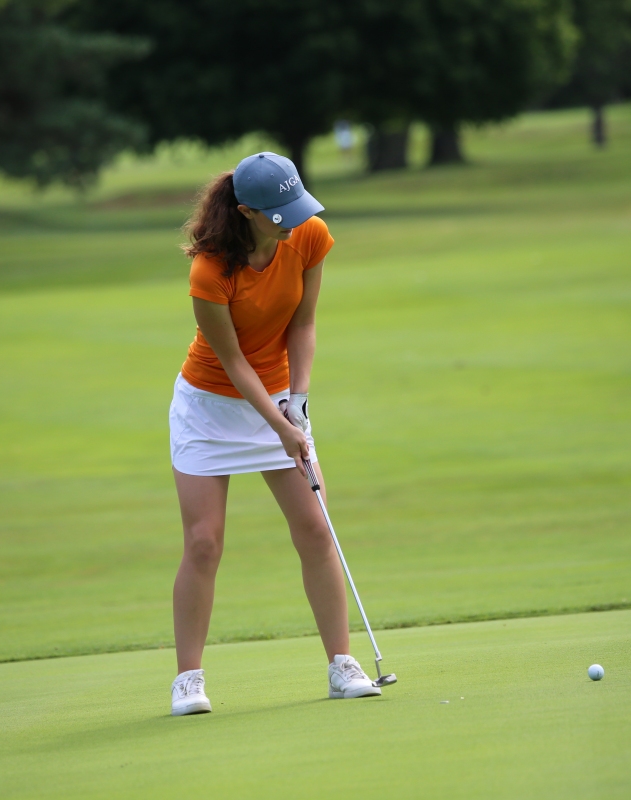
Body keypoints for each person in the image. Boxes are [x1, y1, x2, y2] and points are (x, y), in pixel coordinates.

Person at [167, 152, 381, 716]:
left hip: (281, 394)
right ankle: (188, 678)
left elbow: (303, 322)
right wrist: (279, 425)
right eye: (280, 213)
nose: (294, 220)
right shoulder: (211, 270)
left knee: (315, 528)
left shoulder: (308, 234)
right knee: (204, 541)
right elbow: (233, 361)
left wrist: (299, 401)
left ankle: (342, 664)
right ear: (247, 213)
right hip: (209, 407)